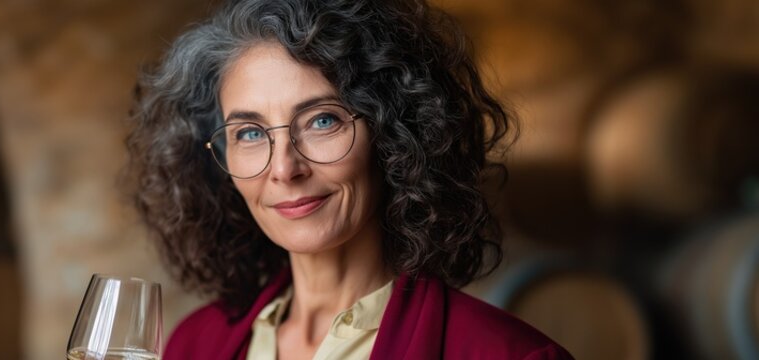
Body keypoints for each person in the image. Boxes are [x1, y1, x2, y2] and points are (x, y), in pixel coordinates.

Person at [125, 0, 573, 359]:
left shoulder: (514, 355)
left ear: (395, 134)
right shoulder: (193, 345)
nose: (284, 169)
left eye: (322, 120)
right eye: (250, 133)